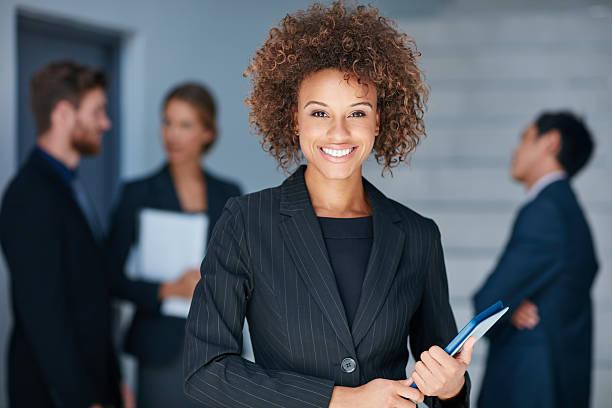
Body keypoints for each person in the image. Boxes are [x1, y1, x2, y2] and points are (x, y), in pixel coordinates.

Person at [184, 3, 475, 407]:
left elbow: (445, 382)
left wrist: (451, 387)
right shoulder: (247, 223)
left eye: (357, 112)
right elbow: (205, 372)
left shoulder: (417, 235)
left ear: (378, 121)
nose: (338, 132)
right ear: (294, 120)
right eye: (319, 112)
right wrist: (341, 400)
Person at [106, 82, 242, 408]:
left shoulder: (228, 194)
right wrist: (166, 290)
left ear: (207, 133)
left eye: (185, 125)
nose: (172, 134)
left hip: (216, 349)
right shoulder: (136, 193)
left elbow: (242, 271)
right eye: (167, 122)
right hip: (159, 349)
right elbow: (108, 277)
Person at [0, 61, 122, 407]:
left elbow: (93, 295)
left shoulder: (69, 187)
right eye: (97, 111)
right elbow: (45, 317)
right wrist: (84, 400)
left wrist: (115, 383)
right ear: (64, 113)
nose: (105, 123)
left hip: (93, 383)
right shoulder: (28, 196)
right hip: (55, 395)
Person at [473, 111, 598, 408]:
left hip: (528, 385)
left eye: (525, 138)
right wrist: (511, 305)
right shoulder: (568, 209)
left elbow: (489, 299)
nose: (516, 150)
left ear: (550, 142)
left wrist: (505, 305)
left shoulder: (546, 211)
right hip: (558, 382)